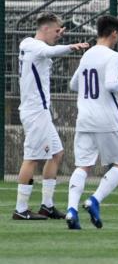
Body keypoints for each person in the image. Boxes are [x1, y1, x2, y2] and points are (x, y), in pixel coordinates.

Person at [13, 12, 89, 221]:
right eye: (56, 31)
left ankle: (47, 205)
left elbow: (49, 48)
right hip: (35, 111)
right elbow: (51, 51)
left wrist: (60, 39)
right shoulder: (35, 46)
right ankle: (20, 209)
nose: (59, 34)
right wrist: (72, 47)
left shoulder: (31, 45)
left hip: (41, 110)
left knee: (56, 153)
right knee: (32, 158)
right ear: (45, 29)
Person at [65, 15, 118, 230]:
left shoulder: (87, 55)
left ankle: (71, 209)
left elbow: (73, 85)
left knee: (83, 165)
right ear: (114, 33)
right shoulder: (113, 55)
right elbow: (111, 85)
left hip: (84, 117)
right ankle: (94, 200)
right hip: (106, 117)